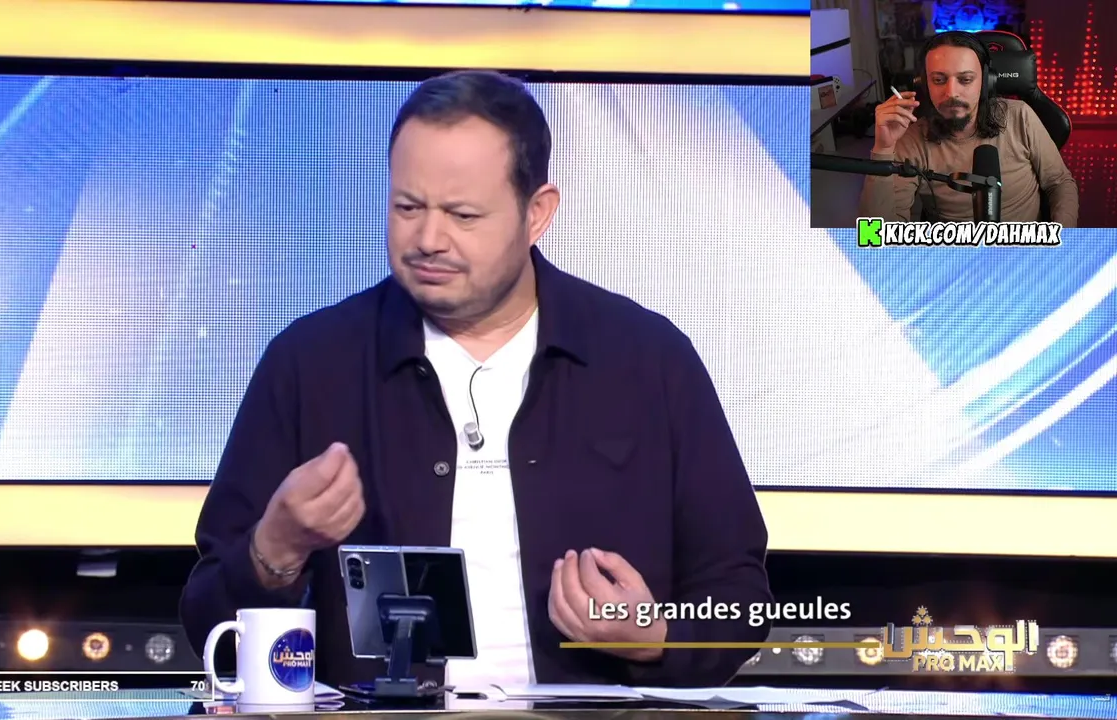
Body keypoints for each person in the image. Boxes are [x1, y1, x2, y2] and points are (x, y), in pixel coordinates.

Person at [180, 69, 772, 689]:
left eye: (462, 215)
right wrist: (274, 550)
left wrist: (654, 637)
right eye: (407, 207)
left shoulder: (647, 360)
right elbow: (207, 622)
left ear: (537, 213)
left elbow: (740, 598)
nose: (428, 239)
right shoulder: (310, 364)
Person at [859, 31, 1078, 225]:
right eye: (938, 80)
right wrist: (883, 149)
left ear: (985, 82)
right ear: (925, 84)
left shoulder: (1020, 116)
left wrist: (1060, 241)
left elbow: (1060, 183)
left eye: (965, 79)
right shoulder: (911, 137)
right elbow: (876, 235)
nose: (951, 93)